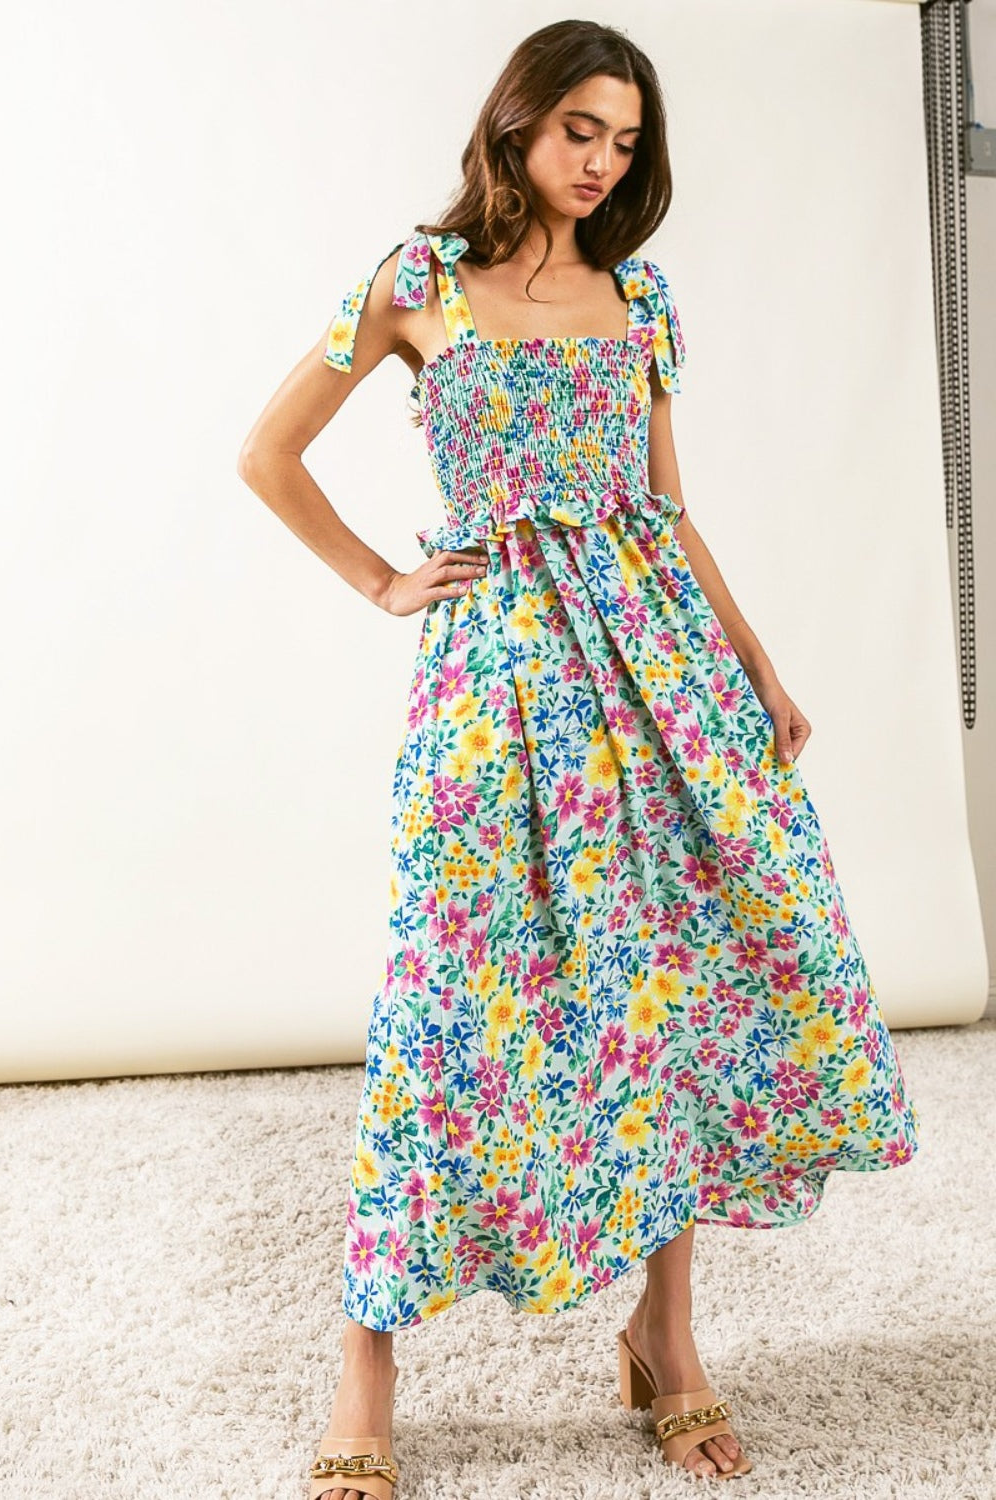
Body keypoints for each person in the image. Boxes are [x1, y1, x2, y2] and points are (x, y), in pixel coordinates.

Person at [238, 19, 921, 1496]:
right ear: (515, 125)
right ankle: (369, 1353)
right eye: (580, 134)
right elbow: (268, 451)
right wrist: (379, 579)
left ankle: (666, 1337)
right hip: (500, 674)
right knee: (451, 979)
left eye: (624, 142)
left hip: (658, 664)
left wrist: (759, 666)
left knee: (664, 981)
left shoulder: (642, 297)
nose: (603, 164)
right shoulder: (416, 282)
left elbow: (665, 509)